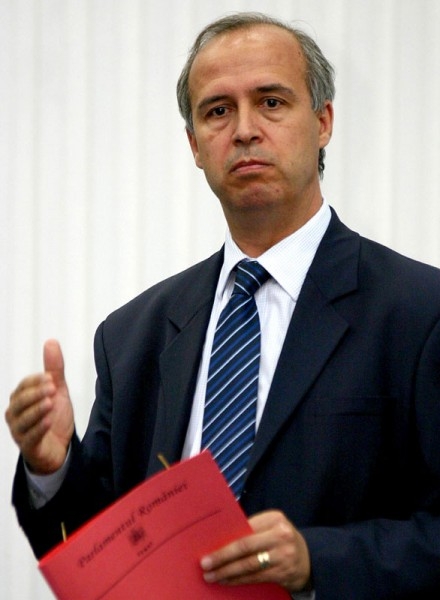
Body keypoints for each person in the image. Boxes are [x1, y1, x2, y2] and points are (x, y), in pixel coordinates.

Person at [5, 11, 440, 599]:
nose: (244, 130)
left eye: (271, 102)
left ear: (324, 122)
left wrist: (317, 560)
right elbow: (102, 557)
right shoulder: (132, 337)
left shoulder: (420, 313)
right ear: (194, 146)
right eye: (217, 111)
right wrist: (54, 467)